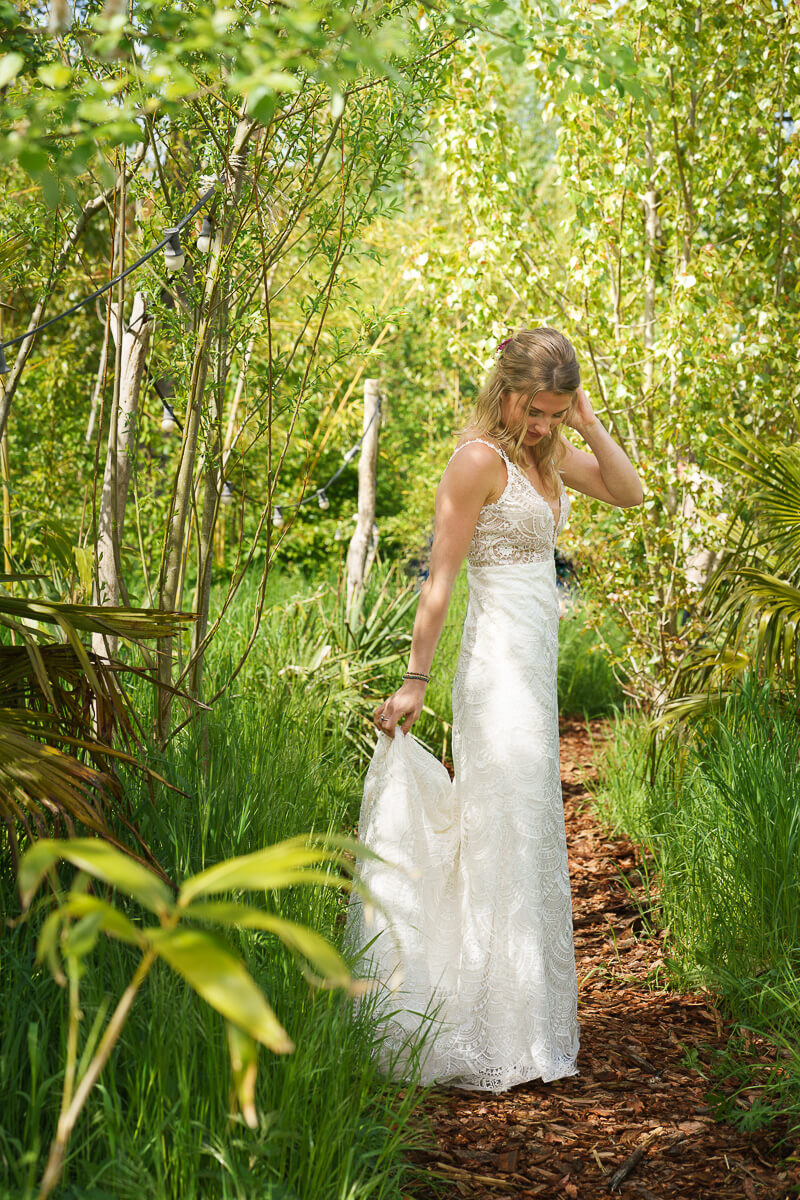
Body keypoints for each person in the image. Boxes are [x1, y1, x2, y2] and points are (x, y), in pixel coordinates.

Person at [342, 326, 644, 1094]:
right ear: (502, 389)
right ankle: (490, 1026)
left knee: (529, 824)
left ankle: (519, 1021)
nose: (541, 425)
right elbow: (439, 579)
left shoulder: (546, 458)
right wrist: (415, 677)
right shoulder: (478, 461)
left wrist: (586, 420)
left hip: (535, 673)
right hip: (496, 673)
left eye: (553, 412)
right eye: (534, 409)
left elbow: (629, 490)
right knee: (504, 821)